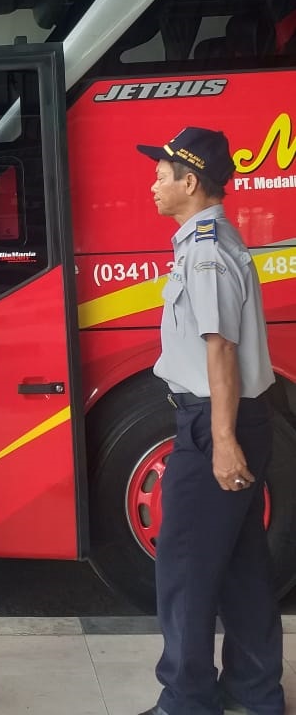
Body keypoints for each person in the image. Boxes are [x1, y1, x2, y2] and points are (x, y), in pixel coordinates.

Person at [135, 128, 283, 715]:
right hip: (232, 419)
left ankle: (188, 699)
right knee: (242, 568)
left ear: (189, 181)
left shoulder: (204, 247)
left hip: (216, 424)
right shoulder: (207, 240)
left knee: (186, 569)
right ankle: (254, 690)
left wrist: (221, 440)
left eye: (161, 173)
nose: (154, 183)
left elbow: (219, 348)